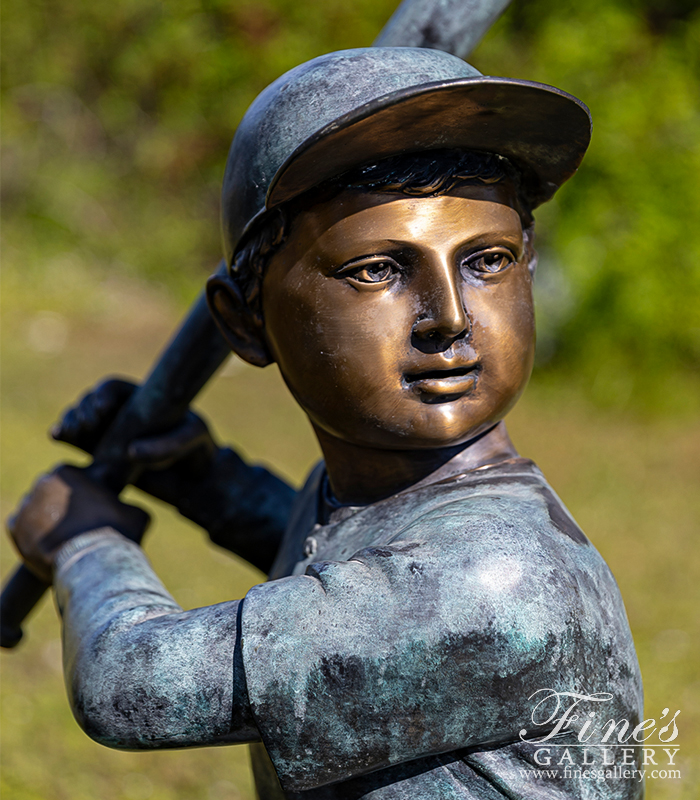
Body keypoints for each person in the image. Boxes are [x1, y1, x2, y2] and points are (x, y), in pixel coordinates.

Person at [7, 47, 643, 799]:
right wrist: (201, 480)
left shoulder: (503, 577)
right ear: (245, 323)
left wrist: (82, 545)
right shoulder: (385, 499)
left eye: (488, 261)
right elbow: (339, 573)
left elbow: (133, 685)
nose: (449, 317)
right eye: (378, 269)